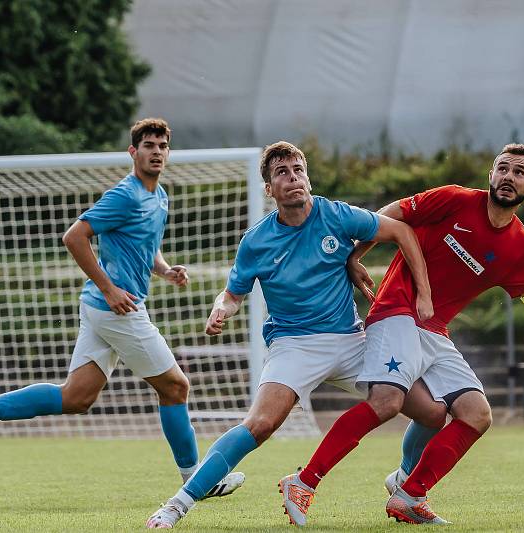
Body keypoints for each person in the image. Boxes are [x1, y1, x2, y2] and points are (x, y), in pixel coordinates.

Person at [279, 143, 524, 526]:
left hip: (435, 331)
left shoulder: (522, 249)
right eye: (502, 169)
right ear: (490, 176)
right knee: (387, 400)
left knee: (476, 414)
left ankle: (410, 494)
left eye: (519, 172)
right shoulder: (453, 199)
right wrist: (357, 255)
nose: (509, 177)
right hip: (397, 311)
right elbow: (389, 215)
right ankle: (304, 482)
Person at [0, 118, 243, 498]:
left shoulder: (159, 196)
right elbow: (74, 236)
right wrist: (111, 288)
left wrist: (165, 270)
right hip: (116, 308)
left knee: (77, 397)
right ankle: (196, 480)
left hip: (101, 307)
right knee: (175, 386)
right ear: (133, 152)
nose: (156, 152)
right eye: (148, 145)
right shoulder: (125, 195)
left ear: (168, 152)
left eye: (162, 146)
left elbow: (145, 245)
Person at [145, 141, 434, 528]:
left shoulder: (335, 215)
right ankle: (177, 505)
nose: (293, 178)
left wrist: (361, 260)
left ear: (308, 178)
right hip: (294, 344)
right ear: (269, 189)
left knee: (431, 411)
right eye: (282, 173)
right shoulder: (257, 240)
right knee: (260, 424)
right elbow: (232, 295)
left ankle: (403, 481)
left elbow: (400, 229)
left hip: (351, 340)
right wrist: (220, 309)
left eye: (298, 170)